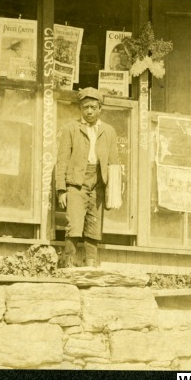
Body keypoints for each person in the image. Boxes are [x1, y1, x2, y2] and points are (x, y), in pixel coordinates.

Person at [55, 87, 120, 268]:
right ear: (80, 109)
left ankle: (91, 267)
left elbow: (114, 163)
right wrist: (62, 189)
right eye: (85, 107)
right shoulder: (71, 129)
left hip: (98, 184)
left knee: (94, 226)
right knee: (74, 224)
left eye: (93, 107)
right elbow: (62, 161)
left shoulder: (109, 131)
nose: (89, 111)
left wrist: (113, 192)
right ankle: (66, 266)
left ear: (100, 109)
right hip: (76, 184)